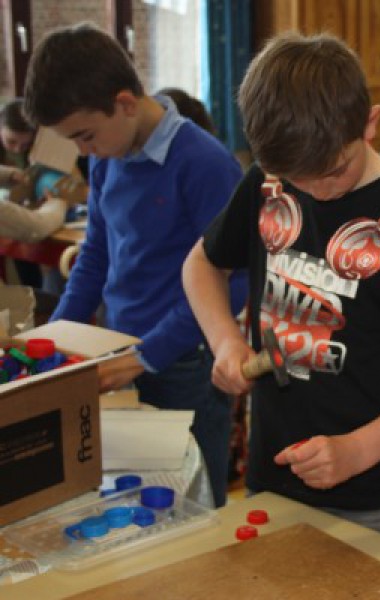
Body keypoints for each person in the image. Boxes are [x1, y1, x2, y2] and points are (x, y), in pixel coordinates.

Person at [181, 32, 380, 545]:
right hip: (274, 474)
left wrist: (357, 450)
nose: (317, 191)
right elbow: (201, 265)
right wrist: (225, 341)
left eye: (334, 170)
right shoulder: (266, 185)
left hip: (373, 494)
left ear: (370, 123)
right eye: (298, 178)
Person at [23, 22, 247, 508]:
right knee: (134, 500)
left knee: (191, 503)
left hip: (186, 360)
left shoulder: (204, 163)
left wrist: (148, 354)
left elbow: (235, 281)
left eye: (85, 136)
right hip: (118, 350)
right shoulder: (108, 155)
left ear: (125, 102)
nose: (83, 153)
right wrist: (58, 334)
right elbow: (97, 254)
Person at [1, 99, 52, 289]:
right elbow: (36, 227)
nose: (16, 149)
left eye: (24, 145)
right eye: (11, 142)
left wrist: (11, 175)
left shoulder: (40, 148)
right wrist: (58, 204)